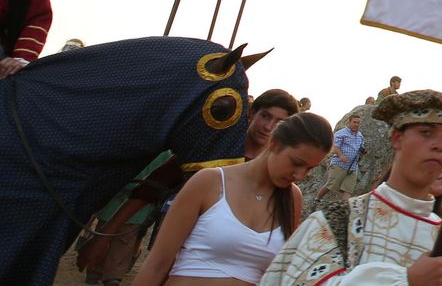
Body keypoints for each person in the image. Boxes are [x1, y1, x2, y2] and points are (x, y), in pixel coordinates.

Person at [260, 89, 442, 286]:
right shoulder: (339, 222)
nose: (439, 145)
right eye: (426, 132)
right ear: (396, 137)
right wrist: (406, 281)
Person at [131, 113, 332, 286]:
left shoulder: (292, 198)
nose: (300, 175)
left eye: (310, 169)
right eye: (297, 163)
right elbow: (157, 264)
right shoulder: (209, 181)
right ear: (274, 143)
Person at [318, 113, 365, 202]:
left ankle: (343, 209)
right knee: (330, 186)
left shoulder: (360, 135)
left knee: (348, 190)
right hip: (339, 164)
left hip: (353, 166)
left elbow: (361, 148)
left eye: (358, 123)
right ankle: (317, 199)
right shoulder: (341, 133)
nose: (356, 124)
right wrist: (341, 155)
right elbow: (334, 147)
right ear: (349, 122)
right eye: (354, 122)